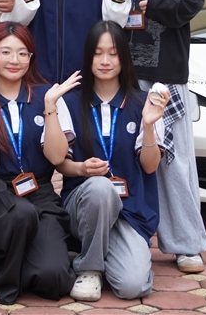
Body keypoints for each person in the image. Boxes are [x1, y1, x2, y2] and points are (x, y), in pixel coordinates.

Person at [100, 0, 206, 275]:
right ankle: (129, 239)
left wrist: (152, 1)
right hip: (119, 72)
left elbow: (193, 1)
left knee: (174, 162)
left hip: (165, 71)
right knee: (123, 159)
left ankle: (186, 243)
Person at [0, 23, 75, 305]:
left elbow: (57, 158)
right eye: (6, 52)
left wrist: (50, 108)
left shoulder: (47, 96)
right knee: (19, 213)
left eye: (23, 53)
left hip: (40, 193)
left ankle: (24, 255)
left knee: (54, 278)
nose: (15, 60)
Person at [56, 21, 166, 301]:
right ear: (88, 57)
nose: (105, 61)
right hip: (84, 206)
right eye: (98, 53)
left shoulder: (144, 104)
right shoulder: (69, 102)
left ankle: (99, 252)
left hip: (129, 211)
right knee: (100, 188)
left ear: (124, 58)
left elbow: (150, 166)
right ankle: (90, 269)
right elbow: (60, 163)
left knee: (133, 287)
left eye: (113, 53)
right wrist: (82, 169)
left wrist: (149, 125)